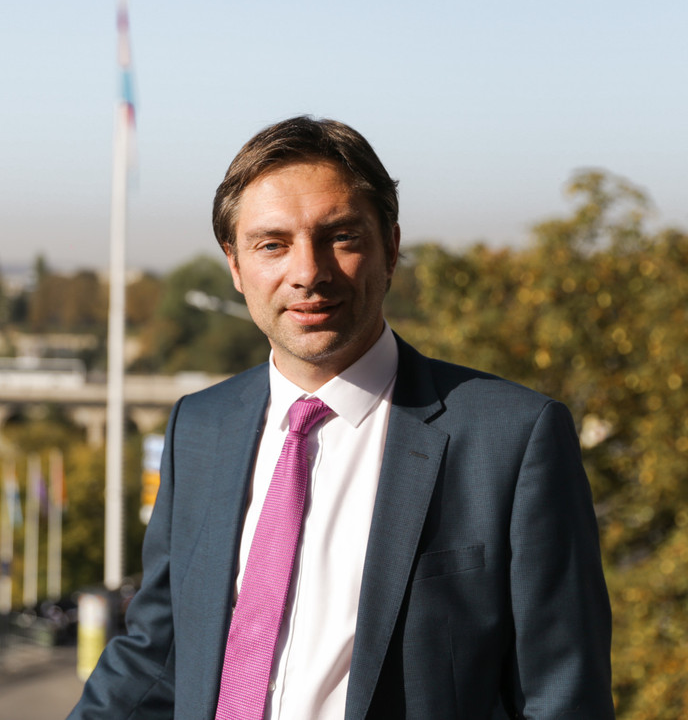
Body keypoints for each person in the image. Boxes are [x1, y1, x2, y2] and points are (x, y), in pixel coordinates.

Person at [69, 116, 613, 719]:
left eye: (342, 236)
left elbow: (563, 696)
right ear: (234, 264)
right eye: (272, 244)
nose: (309, 272)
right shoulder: (199, 427)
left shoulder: (512, 439)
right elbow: (155, 657)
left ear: (392, 247)